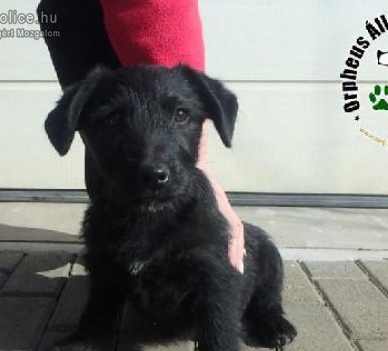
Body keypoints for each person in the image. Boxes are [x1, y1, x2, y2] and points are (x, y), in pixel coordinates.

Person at [37, 0, 245, 273]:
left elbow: (166, 88)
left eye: (181, 115)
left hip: (103, 16)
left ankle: (161, 267)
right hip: (74, 15)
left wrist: (200, 167)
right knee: (117, 183)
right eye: (113, 121)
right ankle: (120, 268)